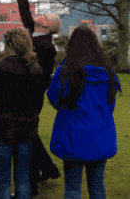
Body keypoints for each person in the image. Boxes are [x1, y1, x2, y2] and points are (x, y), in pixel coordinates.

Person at [47, 25, 121, 199]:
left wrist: (67, 109)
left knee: (72, 186)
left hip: (73, 133)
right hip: (99, 133)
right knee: (97, 185)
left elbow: (53, 97)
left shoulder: (65, 72)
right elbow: (110, 104)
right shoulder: (108, 74)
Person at [0, 27, 44, 199]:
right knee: (23, 177)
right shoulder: (35, 70)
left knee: (2, 179)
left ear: (7, 45)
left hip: (1, 128)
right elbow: (39, 102)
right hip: (27, 128)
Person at [15, 0, 61, 195]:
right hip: (27, 92)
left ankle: (39, 174)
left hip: (31, 95)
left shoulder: (46, 47)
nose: (39, 16)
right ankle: (48, 168)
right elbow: (25, 14)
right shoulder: (37, 34)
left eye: (44, 16)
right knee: (28, 133)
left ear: (49, 26)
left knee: (26, 133)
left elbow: (37, 74)